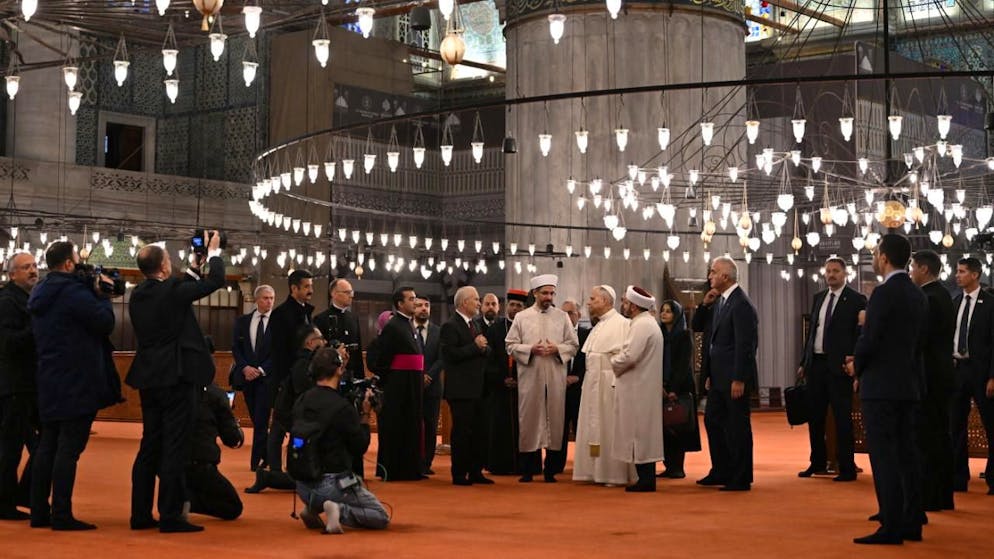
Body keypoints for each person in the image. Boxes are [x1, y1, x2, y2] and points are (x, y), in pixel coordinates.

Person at [127, 234, 225, 533]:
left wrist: (195, 267)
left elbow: (179, 287)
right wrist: (215, 253)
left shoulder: (138, 294)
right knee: (175, 446)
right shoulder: (171, 291)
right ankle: (170, 515)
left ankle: (140, 514)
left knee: (149, 445)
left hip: (148, 376)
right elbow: (215, 282)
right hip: (176, 377)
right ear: (164, 267)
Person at [28, 241, 122, 530]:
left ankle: (39, 512)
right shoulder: (73, 293)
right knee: (68, 450)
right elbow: (104, 323)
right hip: (77, 380)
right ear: (69, 264)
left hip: (49, 378)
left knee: (47, 447)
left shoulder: (40, 291)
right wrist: (103, 295)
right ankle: (61, 514)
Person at [846, 234, 927, 545]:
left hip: (881, 387)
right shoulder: (917, 294)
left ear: (883, 257)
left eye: (876, 253)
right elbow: (919, 343)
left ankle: (890, 526)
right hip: (908, 385)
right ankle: (911, 522)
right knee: (907, 454)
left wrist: (858, 367)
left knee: (884, 457)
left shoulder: (882, 293)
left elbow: (870, 339)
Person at [292, 348, 389, 534]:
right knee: (379, 515)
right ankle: (337, 510)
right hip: (331, 485)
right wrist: (365, 414)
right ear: (338, 370)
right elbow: (359, 446)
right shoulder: (341, 407)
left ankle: (312, 508)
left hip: (302, 485)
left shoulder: (301, 400)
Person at [796, 257, 866, 482]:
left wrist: (855, 362)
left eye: (835, 271)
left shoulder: (856, 299)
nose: (831, 275)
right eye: (828, 271)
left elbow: (859, 334)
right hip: (816, 364)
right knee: (815, 417)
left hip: (839, 367)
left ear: (845, 274)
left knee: (842, 418)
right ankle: (817, 462)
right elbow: (812, 333)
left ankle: (846, 466)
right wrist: (803, 363)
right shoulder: (819, 298)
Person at [692, 256, 758, 492]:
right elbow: (699, 328)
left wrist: (739, 378)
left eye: (713, 272)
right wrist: (705, 304)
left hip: (733, 378)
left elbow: (745, 345)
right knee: (713, 421)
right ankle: (720, 470)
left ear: (726, 277)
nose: (709, 276)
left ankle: (740, 477)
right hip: (718, 377)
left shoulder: (741, 304)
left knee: (737, 426)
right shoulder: (719, 301)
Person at [506, 274, 579, 483]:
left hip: (555, 378)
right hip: (530, 378)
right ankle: (528, 469)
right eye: (545, 293)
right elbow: (510, 344)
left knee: (555, 421)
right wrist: (530, 349)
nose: (549, 297)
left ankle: (551, 470)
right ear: (535, 294)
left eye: (552, 293)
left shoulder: (562, 317)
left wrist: (558, 349)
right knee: (529, 421)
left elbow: (573, 345)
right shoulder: (522, 317)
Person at [250, 269, 314, 489]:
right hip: (286, 382)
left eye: (310, 286)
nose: (310, 291)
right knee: (278, 428)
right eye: (306, 287)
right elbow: (278, 354)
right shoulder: (280, 315)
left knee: (299, 429)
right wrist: (283, 383)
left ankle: (294, 469)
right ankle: (275, 471)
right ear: (293, 288)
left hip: (304, 380)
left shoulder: (306, 313)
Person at [249, 325, 328, 493]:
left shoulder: (308, 360)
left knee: (280, 438)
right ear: (310, 342)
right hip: (290, 411)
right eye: (320, 338)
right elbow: (303, 390)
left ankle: (274, 474)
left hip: (291, 409)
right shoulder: (303, 363)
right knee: (285, 440)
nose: (324, 341)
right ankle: (274, 474)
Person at [909, 250, 955, 511]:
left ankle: (932, 496)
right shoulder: (943, 295)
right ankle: (942, 496)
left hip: (930, 376)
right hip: (941, 373)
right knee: (940, 436)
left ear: (924, 269)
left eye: (913, 267)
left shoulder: (929, 298)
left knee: (928, 438)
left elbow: (920, 340)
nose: (911, 272)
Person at [573, 285, 633, 486]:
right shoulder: (597, 326)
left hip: (609, 387)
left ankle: (613, 474)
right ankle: (592, 472)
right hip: (592, 386)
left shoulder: (622, 324)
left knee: (609, 428)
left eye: (593, 298)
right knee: (592, 426)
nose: (589, 302)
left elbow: (625, 357)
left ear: (606, 302)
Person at [611, 286, 665, 492]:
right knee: (642, 433)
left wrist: (613, 360)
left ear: (633, 306)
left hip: (638, 388)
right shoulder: (646, 323)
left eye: (625, 302)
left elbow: (630, 356)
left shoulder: (642, 325)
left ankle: (646, 480)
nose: (623, 305)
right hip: (641, 386)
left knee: (639, 433)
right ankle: (645, 478)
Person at [368, 286, 425, 481]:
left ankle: (411, 468)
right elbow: (383, 358)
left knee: (411, 425)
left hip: (412, 383)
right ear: (400, 303)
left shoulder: (409, 324)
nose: (415, 302)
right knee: (397, 426)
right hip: (398, 385)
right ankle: (394, 470)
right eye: (411, 299)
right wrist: (390, 378)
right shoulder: (393, 326)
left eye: (415, 298)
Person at [0, 253, 40, 520]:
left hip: (25, 385)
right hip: (13, 385)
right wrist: (38, 326)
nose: (33, 271)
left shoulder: (26, 300)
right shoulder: (7, 301)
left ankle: (19, 497)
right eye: (27, 268)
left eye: (35, 266)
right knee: (10, 447)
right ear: (12, 274)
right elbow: (8, 343)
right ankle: (5, 504)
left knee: (38, 445)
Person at [949, 256, 994, 495]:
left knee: (991, 426)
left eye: (962, 271)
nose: (957, 275)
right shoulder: (955, 302)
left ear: (975, 275)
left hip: (982, 372)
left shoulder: (990, 304)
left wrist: (992, 376)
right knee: (955, 426)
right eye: (957, 271)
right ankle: (958, 478)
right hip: (958, 371)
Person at [440, 286, 492, 486]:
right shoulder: (450, 326)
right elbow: (450, 355)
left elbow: (485, 349)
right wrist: (475, 347)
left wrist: (483, 348)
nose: (479, 303)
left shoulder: (475, 325)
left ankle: (476, 471)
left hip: (478, 388)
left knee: (479, 431)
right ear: (463, 303)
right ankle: (459, 473)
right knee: (462, 432)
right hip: (460, 389)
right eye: (476, 299)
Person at [230, 284, 275, 472]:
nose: (269, 301)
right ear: (257, 299)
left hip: (266, 378)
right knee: (257, 420)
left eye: (272, 298)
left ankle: (255, 462)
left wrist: (261, 370)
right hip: (247, 378)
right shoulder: (243, 321)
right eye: (265, 298)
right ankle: (267, 456)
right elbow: (236, 348)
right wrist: (245, 367)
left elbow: (278, 352)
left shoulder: (277, 323)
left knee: (262, 419)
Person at [482, 290, 526, 475]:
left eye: (519, 306)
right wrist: (502, 379)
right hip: (500, 387)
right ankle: (499, 465)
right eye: (512, 305)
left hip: (523, 387)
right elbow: (489, 359)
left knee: (524, 426)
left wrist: (520, 379)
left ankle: (524, 466)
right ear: (507, 306)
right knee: (499, 426)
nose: (515, 309)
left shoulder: (528, 326)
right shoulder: (496, 328)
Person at [186, 383, 244, 521]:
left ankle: (176, 497)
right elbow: (231, 439)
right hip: (200, 462)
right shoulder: (215, 395)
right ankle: (185, 500)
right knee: (233, 508)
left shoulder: (171, 388)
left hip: (168, 461)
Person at [658, 299, 701, 479]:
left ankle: (678, 467)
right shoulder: (659, 334)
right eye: (663, 311)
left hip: (680, 386)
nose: (664, 314)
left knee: (678, 424)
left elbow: (683, 365)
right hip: (661, 387)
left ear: (676, 315)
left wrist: (674, 388)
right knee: (664, 427)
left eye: (669, 311)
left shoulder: (683, 335)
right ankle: (668, 465)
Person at [547, 298, 589, 476]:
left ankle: (583, 466)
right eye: (563, 313)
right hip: (558, 388)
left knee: (582, 428)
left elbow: (590, 360)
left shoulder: (588, 334)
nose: (566, 316)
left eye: (570, 312)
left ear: (579, 315)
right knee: (557, 429)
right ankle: (554, 466)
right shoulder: (554, 334)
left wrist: (577, 377)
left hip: (580, 390)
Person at [313, 278, 364, 383]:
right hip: (330, 374)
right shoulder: (321, 319)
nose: (351, 295)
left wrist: (360, 377)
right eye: (347, 292)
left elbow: (358, 350)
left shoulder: (353, 318)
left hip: (351, 373)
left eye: (352, 292)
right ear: (334, 294)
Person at [414, 297, 444, 475]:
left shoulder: (438, 332)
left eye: (426, 305)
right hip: (412, 385)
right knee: (414, 424)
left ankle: (427, 463)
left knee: (431, 425)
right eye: (419, 306)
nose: (423, 309)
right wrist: (418, 377)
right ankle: (414, 460)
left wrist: (429, 376)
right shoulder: (407, 329)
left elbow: (442, 358)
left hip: (432, 386)